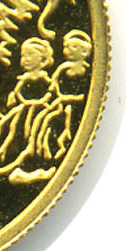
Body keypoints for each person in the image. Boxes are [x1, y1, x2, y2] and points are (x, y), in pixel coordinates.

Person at [0, 37, 56, 184]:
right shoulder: (23, 79)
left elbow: (49, 93)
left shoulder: (45, 79)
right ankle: (0, 158)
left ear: (43, 60)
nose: (25, 59)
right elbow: (19, 93)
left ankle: (30, 166)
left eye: (30, 55)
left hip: (37, 111)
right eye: (23, 56)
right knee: (6, 126)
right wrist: (16, 97)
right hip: (23, 111)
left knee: (30, 132)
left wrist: (39, 101)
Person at [30, 29, 92, 161]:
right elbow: (53, 84)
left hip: (75, 106)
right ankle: (39, 147)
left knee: (64, 118)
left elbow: (87, 89)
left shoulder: (87, 70)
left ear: (84, 51)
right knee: (43, 119)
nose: (68, 50)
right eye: (66, 47)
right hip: (60, 103)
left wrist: (69, 98)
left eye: (74, 47)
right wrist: (50, 96)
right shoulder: (63, 68)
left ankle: (61, 145)